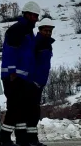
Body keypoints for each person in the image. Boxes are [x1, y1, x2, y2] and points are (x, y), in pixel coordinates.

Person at [0, 1, 40, 146]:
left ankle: (21, 139)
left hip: (23, 77)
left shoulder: (28, 32)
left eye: (37, 16)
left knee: (21, 109)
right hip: (13, 77)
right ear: (27, 15)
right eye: (34, 16)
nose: (35, 19)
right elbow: (10, 51)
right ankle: (4, 139)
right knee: (14, 108)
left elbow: (28, 55)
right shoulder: (18, 29)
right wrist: (12, 72)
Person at [24, 16, 55, 146]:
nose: (48, 33)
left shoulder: (46, 44)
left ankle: (32, 139)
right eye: (45, 30)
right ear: (40, 30)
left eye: (50, 31)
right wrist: (33, 81)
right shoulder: (36, 44)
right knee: (32, 112)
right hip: (33, 83)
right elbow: (30, 63)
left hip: (39, 83)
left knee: (34, 112)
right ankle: (30, 140)